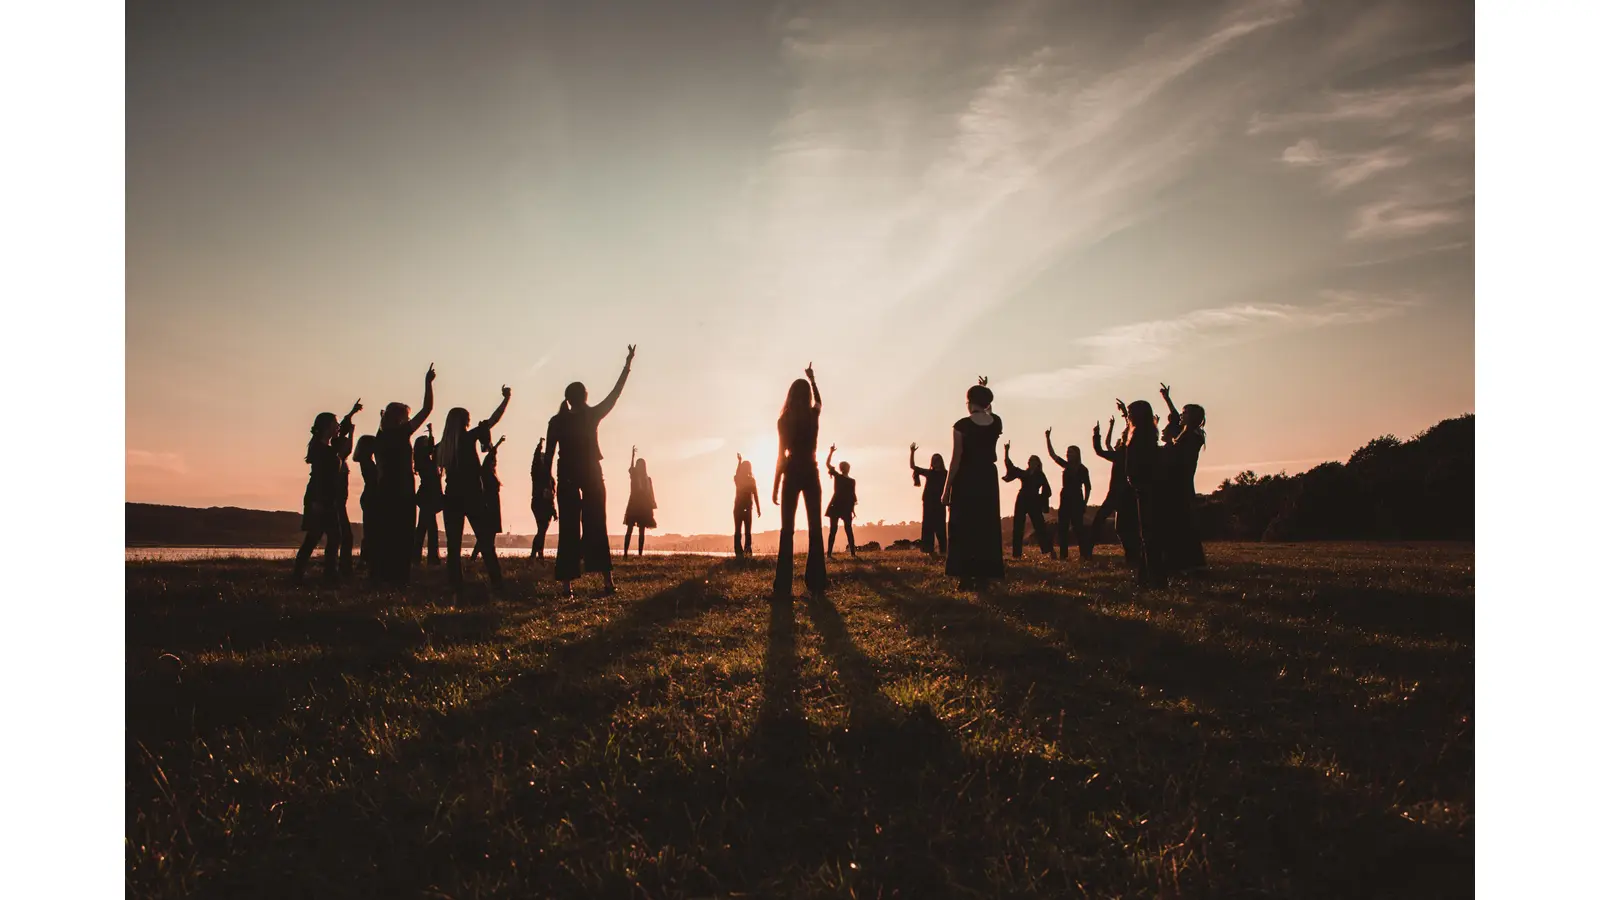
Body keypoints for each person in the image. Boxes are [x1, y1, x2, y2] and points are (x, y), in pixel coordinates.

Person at [546, 345, 636, 598]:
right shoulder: (591, 414)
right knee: (597, 525)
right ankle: (607, 581)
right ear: (584, 397)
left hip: (566, 476)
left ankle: (567, 586)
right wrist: (627, 365)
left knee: (568, 529)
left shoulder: (557, 420)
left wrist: (547, 482)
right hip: (591, 474)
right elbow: (615, 394)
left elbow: (550, 455)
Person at [437, 387, 511, 586]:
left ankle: (455, 587)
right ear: (464, 422)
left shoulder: (442, 447)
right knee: (486, 543)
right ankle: (497, 583)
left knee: (453, 547)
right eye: (468, 418)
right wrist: (506, 399)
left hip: (451, 496)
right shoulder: (469, 437)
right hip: (473, 495)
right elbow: (494, 419)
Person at [370, 365, 436, 585]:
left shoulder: (380, 437)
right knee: (403, 537)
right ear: (400, 419)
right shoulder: (400, 434)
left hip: (384, 490)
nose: (409, 419)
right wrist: (428, 383)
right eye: (407, 416)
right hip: (402, 491)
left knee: (387, 536)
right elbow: (427, 409)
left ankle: (382, 578)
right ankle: (399, 580)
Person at [942, 378, 1005, 590]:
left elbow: (956, 459)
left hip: (967, 477)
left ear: (969, 402)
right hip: (987, 476)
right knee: (986, 524)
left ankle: (965, 575)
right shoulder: (996, 423)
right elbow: (991, 414)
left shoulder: (962, 425)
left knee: (963, 525)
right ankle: (984, 575)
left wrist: (946, 489)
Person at [773, 363, 827, 598]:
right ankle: (816, 582)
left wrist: (775, 484)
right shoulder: (812, 415)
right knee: (815, 527)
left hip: (792, 471)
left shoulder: (783, 420)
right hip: (811, 470)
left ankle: (783, 586)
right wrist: (813, 380)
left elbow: (780, 454)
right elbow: (819, 403)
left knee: (787, 530)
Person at [294, 402, 358, 583]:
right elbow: (320, 479)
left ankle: (324, 574)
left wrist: (351, 414)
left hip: (327, 499)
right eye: (334, 424)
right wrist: (317, 502)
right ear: (327, 427)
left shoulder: (326, 447)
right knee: (323, 537)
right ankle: (326, 575)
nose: (337, 428)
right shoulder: (322, 450)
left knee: (325, 537)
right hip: (320, 499)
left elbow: (343, 433)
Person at [1160, 384, 1207, 573]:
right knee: (1179, 522)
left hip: (1181, 483)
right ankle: (1184, 561)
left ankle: (1186, 562)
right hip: (1177, 482)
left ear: (1193, 417)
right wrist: (1167, 399)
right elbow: (1175, 416)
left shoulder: (1193, 436)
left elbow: (1178, 449)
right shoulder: (1186, 433)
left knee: (1181, 523)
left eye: (1185, 412)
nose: (1181, 414)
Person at [1123, 399, 1168, 587]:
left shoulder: (1139, 436)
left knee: (1149, 535)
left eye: (1130, 412)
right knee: (1148, 535)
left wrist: (1134, 480)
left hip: (1145, 487)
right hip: (1148, 487)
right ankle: (1145, 578)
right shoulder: (1148, 433)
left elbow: (1137, 463)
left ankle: (1155, 579)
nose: (1129, 416)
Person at [1091, 414, 1138, 565]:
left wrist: (1096, 434)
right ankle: (1132, 556)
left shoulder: (1121, 454)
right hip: (1127, 495)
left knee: (1110, 524)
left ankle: (1087, 551)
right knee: (1125, 528)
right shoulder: (1127, 452)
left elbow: (1100, 449)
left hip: (1118, 495)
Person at [1045, 427, 1092, 561]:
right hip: (1064, 498)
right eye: (1067, 453)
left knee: (1078, 529)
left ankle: (1084, 554)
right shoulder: (1066, 466)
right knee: (1062, 529)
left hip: (1077, 499)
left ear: (1077, 454)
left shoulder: (1083, 469)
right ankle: (1063, 556)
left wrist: (1085, 503)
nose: (1068, 454)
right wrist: (1048, 439)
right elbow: (1053, 455)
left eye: (1070, 452)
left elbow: (1088, 487)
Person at [1002, 442, 1054, 558]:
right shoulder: (1024, 473)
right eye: (1030, 461)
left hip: (1034, 501)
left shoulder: (1040, 475)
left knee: (1040, 526)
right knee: (1018, 527)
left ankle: (1047, 550)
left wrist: (1041, 500)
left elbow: (1047, 490)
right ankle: (1017, 554)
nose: (1031, 463)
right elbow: (1011, 467)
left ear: (1037, 464)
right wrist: (1006, 452)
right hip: (1022, 500)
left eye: (1033, 461)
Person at [333, 401, 360, 577]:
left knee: (341, 537)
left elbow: (343, 428)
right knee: (344, 536)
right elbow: (347, 447)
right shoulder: (337, 456)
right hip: (336, 501)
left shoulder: (337, 453)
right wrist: (351, 432)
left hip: (339, 501)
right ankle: (343, 569)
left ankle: (341, 568)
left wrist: (351, 413)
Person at [472, 436, 506, 561]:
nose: (495, 462)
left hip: (493, 504)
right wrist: (498, 443)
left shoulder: (491, 473)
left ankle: (477, 557)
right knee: (487, 534)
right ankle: (482, 556)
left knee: (488, 534)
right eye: (494, 461)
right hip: (489, 504)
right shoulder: (486, 470)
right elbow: (491, 455)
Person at [909, 442, 947, 555]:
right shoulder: (929, 473)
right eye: (934, 461)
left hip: (940, 502)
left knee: (940, 526)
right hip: (928, 501)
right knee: (928, 526)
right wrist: (912, 453)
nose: (935, 463)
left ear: (941, 462)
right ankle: (928, 550)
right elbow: (913, 467)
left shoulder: (945, 474)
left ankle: (943, 550)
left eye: (937, 460)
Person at [414, 425, 443, 565]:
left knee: (426, 528)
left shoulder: (423, 460)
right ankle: (429, 557)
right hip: (428, 496)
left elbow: (433, 447)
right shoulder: (425, 460)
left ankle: (420, 556)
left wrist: (431, 433)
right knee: (427, 528)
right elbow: (433, 447)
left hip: (427, 496)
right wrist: (431, 433)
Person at [623, 446, 657, 556]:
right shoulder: (634, 475)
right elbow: (631, 468)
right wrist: (633, 456)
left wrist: (652, 503)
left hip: (644, 505)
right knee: (630, 529)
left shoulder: (648, 479)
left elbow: (651, 492)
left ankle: (640, 554)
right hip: (634, 504)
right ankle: (625, 553)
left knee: (641, 530)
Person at [825, 444, 858, 558]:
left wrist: (831, 453)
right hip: (845, 507)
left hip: (836, 506)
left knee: (833, 531)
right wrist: (852, 509)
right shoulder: (851, 481)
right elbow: (853, 497)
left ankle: (829, 553)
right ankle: (853, 553)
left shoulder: (839, 477)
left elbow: (828, 464)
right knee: (848, 530)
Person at [529, 438, 556, 560]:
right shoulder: (536, 472)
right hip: (539, 502)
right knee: (541, 530)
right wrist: (539, 445)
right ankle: (535, 555)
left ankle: (538, 554)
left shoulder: (550, 478)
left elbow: (552, 494)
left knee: (542, 530)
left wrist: (554, 511)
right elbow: (535, 460)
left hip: (548, 505)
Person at [353, 434, 378, 567]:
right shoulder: (368, 462)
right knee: (371, 529)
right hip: (371, 497)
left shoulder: (366, 461)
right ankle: (366, 558)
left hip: (369, 496)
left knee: (370, 529)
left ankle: (366, 558)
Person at [732, 453, 761, 558]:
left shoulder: (746, 480)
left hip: (744, 509)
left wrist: (758, 508)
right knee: (743, 532)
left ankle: (743, 553)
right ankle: (743, 553)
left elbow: (756, 494)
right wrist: (739, 462)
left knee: (742, 532)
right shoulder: (741, 480)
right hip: (742, 509)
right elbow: (756, 495)